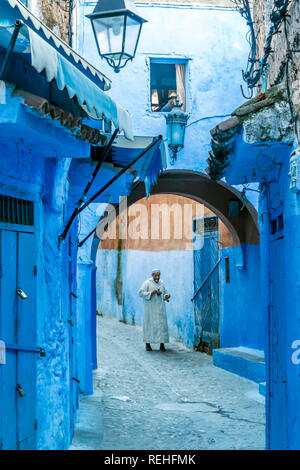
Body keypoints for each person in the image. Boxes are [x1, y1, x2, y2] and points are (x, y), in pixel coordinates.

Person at [139, 269, 171, 352]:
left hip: (160, 309)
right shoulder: (147, 283)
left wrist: (167, 296)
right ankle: (148, 344)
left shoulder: (162, 283)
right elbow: (140, 293)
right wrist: (151, 293)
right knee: (149, 326)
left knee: (161, 327)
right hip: (150, 310)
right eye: (155, 275)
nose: (157, 277)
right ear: (152, 275)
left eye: (158, 275)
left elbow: (165, 293)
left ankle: (162, 345)